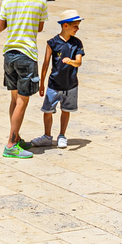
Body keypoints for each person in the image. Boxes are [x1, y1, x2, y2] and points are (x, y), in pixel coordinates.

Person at [0, 0, 50, 158]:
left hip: (9, 53)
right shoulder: (40, 1)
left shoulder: (8, 0)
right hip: (26, 54)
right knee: (22, 101)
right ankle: (11, 144)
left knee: (14, 99)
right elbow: (40, 28)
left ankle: (16, 137)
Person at [36, 8, 85, 150]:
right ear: (65, 25)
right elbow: (45, 64)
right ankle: (47, 135)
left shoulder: (77, 43)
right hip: (53, 84)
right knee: (48, 110)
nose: (77, 29)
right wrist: (42, 83)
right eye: (75, 26)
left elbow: (79, 62)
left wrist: (71, 61)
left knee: (66, 110)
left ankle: (62, 135)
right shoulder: (52, 43)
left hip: (71, 84)